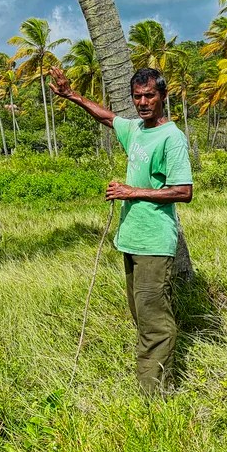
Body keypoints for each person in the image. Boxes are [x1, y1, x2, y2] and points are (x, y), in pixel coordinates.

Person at [49, 66, 193, 395]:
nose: (143, 102)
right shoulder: (136, 130)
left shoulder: (172, 138)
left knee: (155, 322)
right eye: (137, 97)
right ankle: (154, 382)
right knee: (142, 316)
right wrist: (71, 94)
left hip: (155, 243)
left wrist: (132, 192)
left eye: (149, 96)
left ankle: (153, 398)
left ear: (163, 96)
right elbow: (107, 117)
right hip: (131, 240)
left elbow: (183, 191)